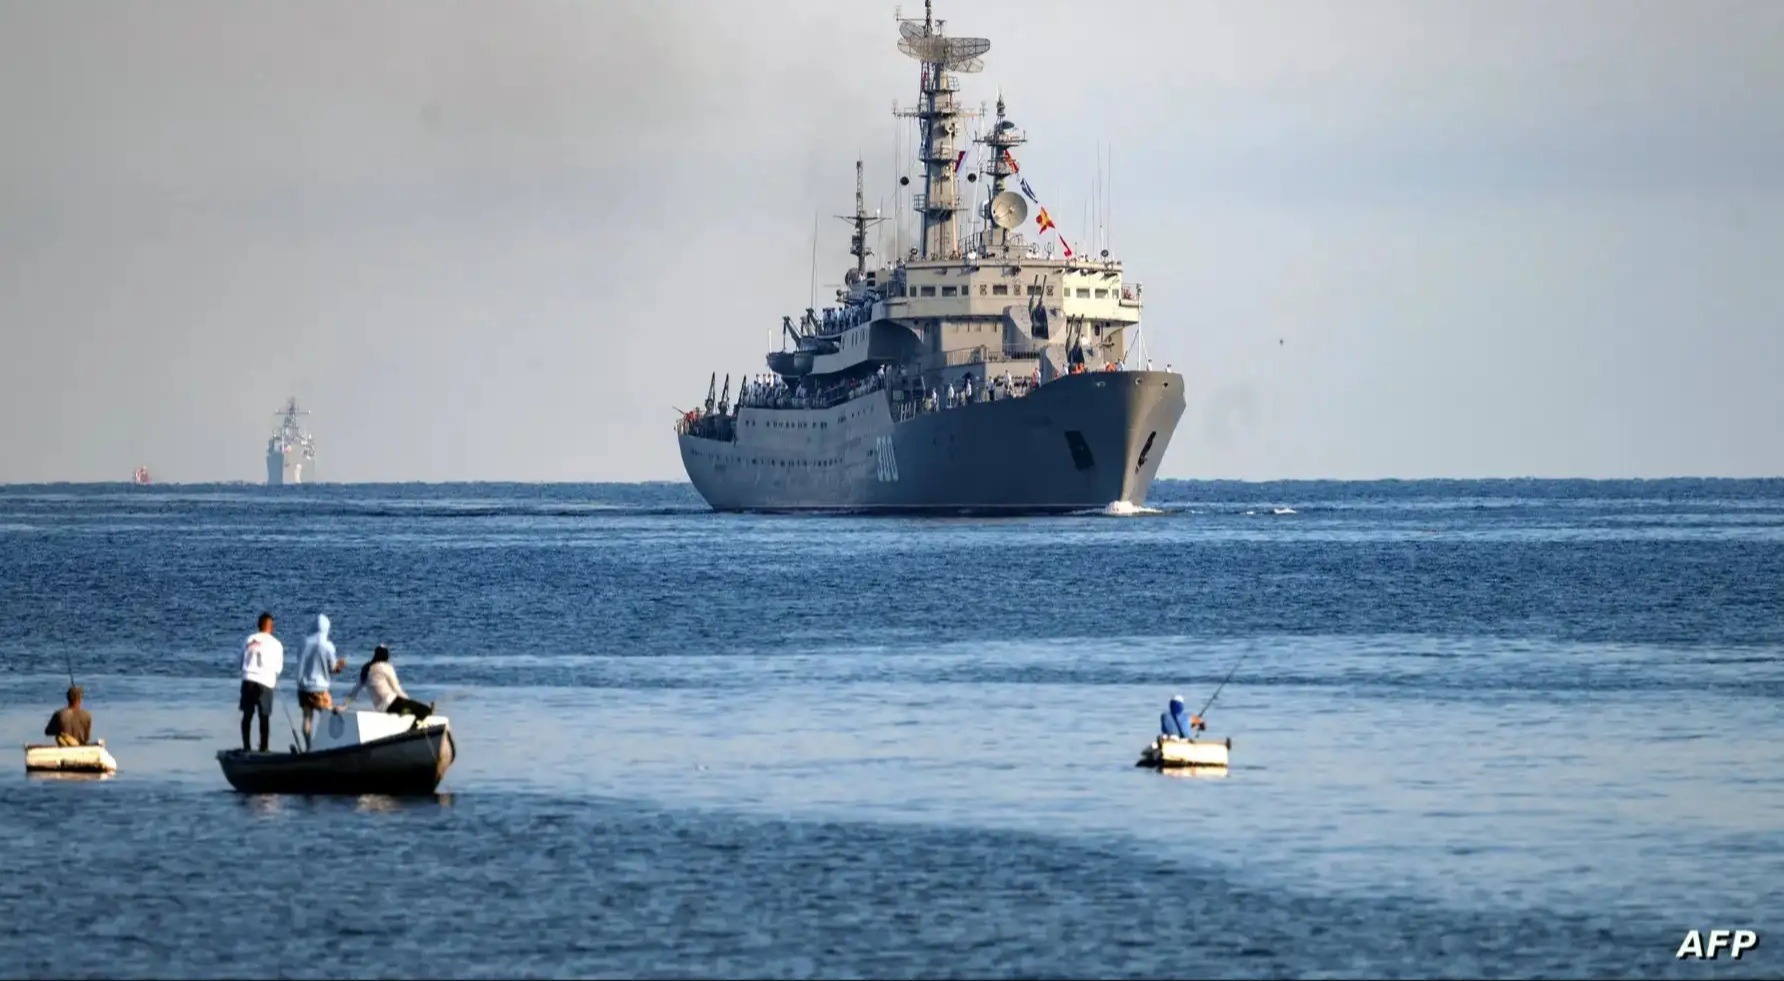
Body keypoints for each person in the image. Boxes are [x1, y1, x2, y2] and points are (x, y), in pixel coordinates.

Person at [340, 645, 433, 727]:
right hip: (392, 703)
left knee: (410, 711)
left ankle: (411, 723)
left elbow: (354, 691)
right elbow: (397, 689)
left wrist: (344, 706)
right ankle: (413, 731)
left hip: (381, 709)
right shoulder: (386, 667)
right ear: (386, 656)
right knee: (425, 710)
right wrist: (408, 701)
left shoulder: (366, 669)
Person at [295, 613, 346, 750]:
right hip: (320, 688)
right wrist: (340, 666)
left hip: (303, 687)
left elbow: (299, 659)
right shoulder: (328, 646)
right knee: (329, 717)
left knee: (307, 718)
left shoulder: (304, 642)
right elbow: (333, 669)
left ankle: (308, 747)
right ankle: (328, 746)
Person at [239, 611, 284, 752]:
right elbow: (278, 667)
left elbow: (240, 660)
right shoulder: (276, 644)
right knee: (264, 716)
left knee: (247, 715)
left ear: (259, 626)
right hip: (265, 682)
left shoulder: (249, 639)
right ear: (271, 627)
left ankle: (246, 746)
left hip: (249, 679)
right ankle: (264, 748)